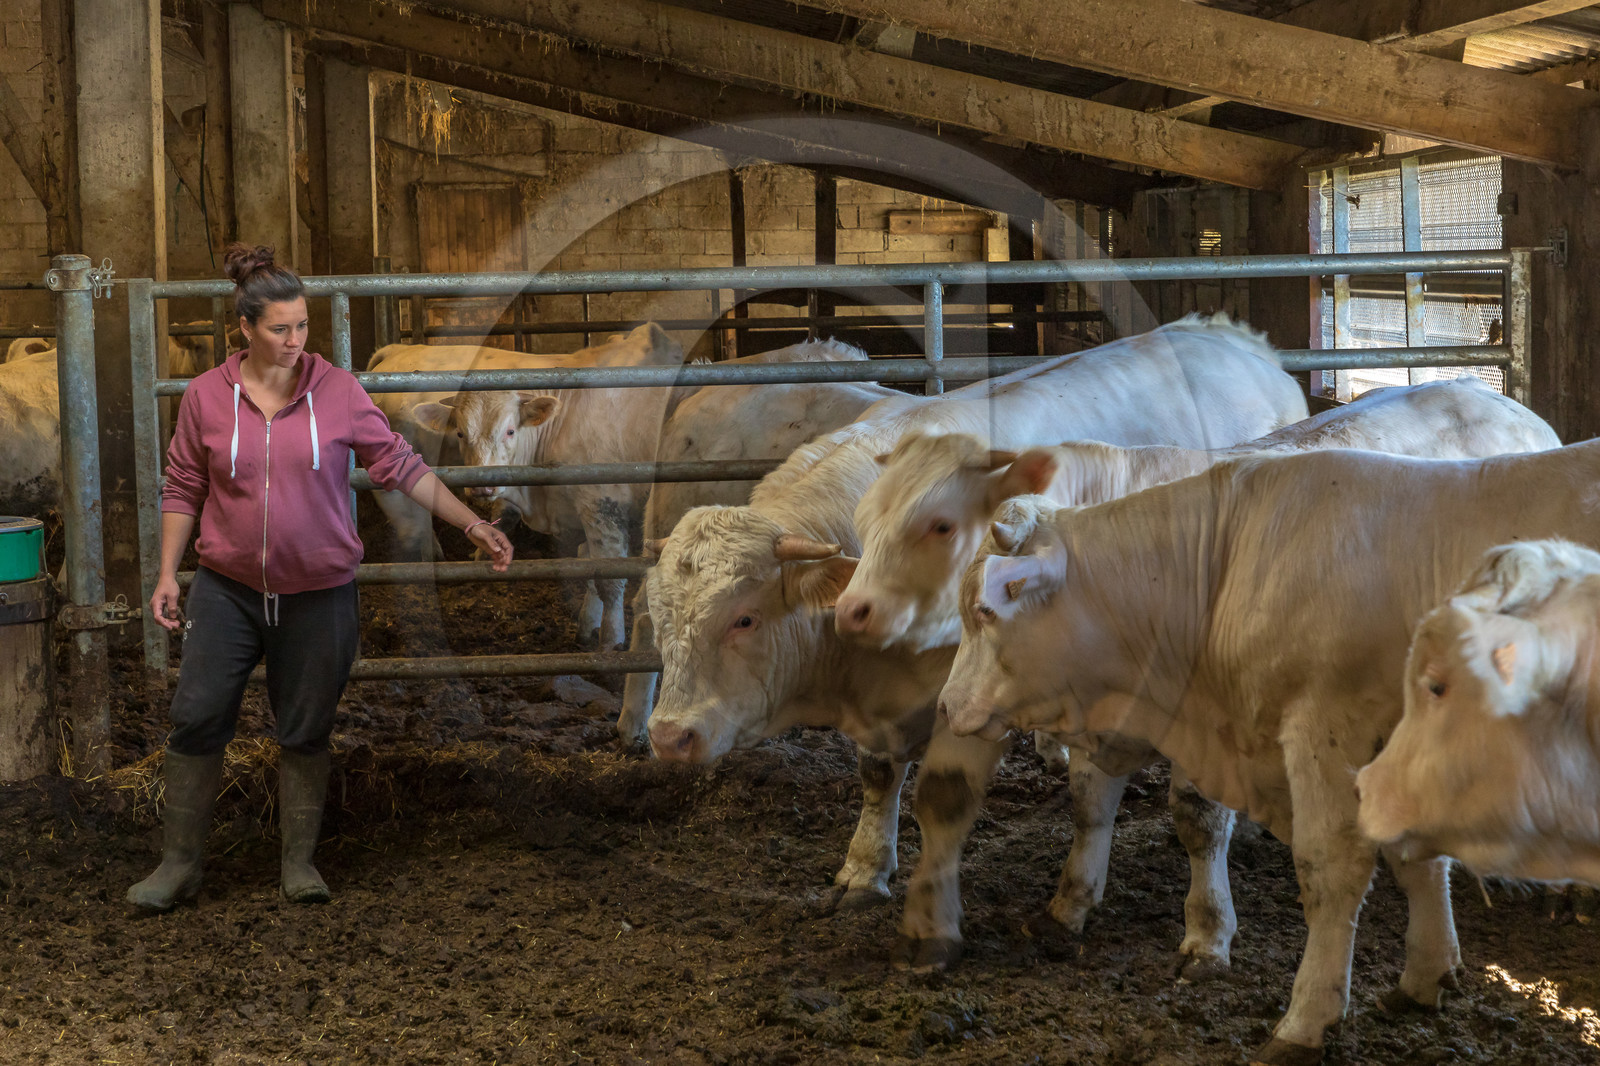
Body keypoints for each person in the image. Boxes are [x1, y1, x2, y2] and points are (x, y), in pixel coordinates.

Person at [127, 243, 514, 912]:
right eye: (280, 328)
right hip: (227, 588)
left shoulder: (337, 391)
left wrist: (470, 524)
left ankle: (298, 862)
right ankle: (179, 863)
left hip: (320, 593)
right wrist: (167, 574)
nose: (294, 340)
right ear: (245, 327)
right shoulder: (204, 398)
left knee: (305, 726)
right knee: (196, 716)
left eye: (302, 325)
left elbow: (400, 465)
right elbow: (184, 483)